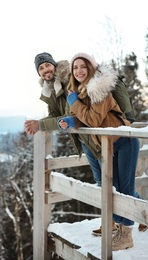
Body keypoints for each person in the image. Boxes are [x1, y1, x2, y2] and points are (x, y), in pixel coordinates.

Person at [57, 52, 144, 251]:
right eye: (75, 67)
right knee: (111, 188)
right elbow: (82, 116)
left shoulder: (99, 88)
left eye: (83, 66)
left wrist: (73, 103)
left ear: (91, 68)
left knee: (125, 189)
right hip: (108, 145)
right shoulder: (79, 92)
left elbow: (94, 119)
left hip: (124, 142)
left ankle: (126, 235)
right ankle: (122, 228)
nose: (78, 71)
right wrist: (70, 120)